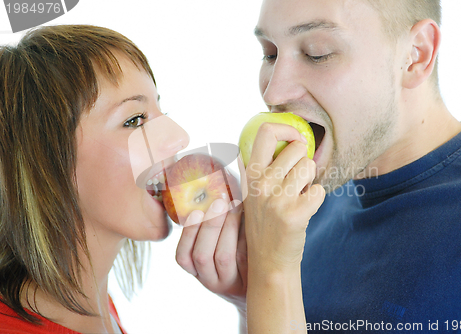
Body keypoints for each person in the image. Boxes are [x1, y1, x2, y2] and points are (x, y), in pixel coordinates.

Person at [177, 0, 461, 332]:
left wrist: (273, 270)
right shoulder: (298, 206)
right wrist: (254, 298)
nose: (274, 92)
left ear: (415, 54)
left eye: (317, 53)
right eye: (270, 53)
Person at [0, 24, 320, 334]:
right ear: (40, 161)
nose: (179, 137)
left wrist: (250, 301)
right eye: (134, 120)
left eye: (159, 109)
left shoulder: (93, 309)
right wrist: (275, 272)